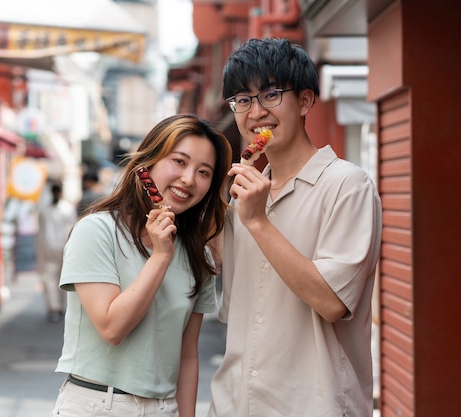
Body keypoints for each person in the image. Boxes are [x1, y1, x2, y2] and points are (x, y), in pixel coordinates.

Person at [207, 38, 383, 417]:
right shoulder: (242, 197)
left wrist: (256, 221)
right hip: (236, 404)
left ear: (305, 101)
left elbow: (332, 302)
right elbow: (238, 307)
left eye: (270, 95)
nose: (256, 113)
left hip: (313, 405)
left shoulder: (347, 186)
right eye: (242, 100)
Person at [52, 114, 232, 417]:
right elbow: (112, 328)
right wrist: (161, 257)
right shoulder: (96, 231)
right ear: (147, 164)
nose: (188, 178)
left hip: (164, 408)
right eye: (179, 161)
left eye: (203, 172)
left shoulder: (199, 256)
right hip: (96, 404)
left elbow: (187, 356)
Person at [36, 182, 76, 322]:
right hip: (64, 247)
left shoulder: (44, 210)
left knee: (49, 277)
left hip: (48, 248)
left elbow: (40, 232)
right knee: (62, 277)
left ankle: (54, 307)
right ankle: (60, 306)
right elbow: (71, 229)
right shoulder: (68, 208)